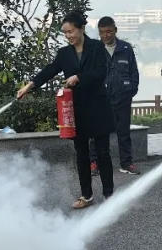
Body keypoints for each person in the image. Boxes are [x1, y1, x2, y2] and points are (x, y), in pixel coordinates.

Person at [17, 11, 115, 209]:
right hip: (76, 110)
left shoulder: (97, 47)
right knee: (81, 154)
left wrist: (79, 77)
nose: (68, 36)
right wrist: (30, 85)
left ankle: (109, 194)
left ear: (81, 29)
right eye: (65, 33)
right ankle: (86, 195)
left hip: (98, 108)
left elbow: (100, 72)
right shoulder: (64, 53)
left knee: (103, 153)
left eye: (71, 31)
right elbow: (50, 70)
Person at [90, 16, 140, 175]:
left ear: (115, 30)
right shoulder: (95, 49)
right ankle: (94, 163)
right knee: (97, 131)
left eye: (109, 31)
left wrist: (131, 90)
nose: (105, 35)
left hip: (123, 97)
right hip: (101, 99)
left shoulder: (126, 48)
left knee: (124, 132)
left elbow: (134, 71)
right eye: (102, 32)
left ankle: (126, 163)